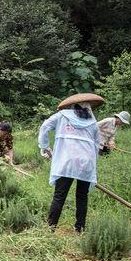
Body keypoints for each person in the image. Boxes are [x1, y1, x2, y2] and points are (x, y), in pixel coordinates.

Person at [38, 93, 102, 232]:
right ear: (88, 108)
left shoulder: (62, 115)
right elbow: (97, 144)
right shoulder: (93, 122)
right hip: (86, 162)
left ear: (73, 106)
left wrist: (44, 146)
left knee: (59, 196)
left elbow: (44, 127)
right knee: (82, 197)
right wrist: (93, 163)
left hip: (66, 160)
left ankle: (50, 228)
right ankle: (80, 228)